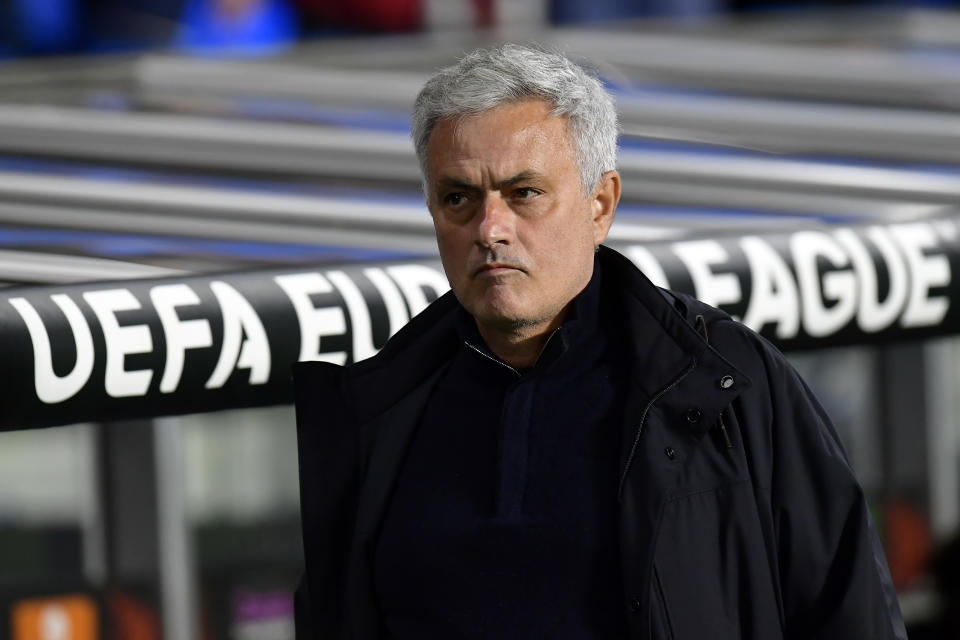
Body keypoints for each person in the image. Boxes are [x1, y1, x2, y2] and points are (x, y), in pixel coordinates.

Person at [292, 44, 907, 639]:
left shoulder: (727, 382)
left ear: (600, 204)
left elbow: (847, 609)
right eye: (460, 198)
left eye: (524, 192)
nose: (490, 229)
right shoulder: (377, 409)